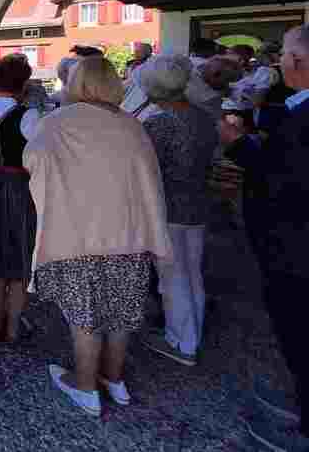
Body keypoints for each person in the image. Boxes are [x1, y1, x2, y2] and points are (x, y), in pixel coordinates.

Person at [24, 57, 172, 417]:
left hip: (76, 234)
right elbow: (150, 179)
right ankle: (114, 379)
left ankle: (86, 386)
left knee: (84, 316)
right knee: (122, 313)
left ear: (76, 83)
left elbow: (33, 161)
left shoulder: (57, 122)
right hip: (130, 234)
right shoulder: (132, 125)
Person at [221, 25, 309, 452]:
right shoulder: (297, 108)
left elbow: (287, 180)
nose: (279, 63)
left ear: (297, 61)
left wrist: (239, 145)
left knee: (300, 330)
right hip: (290, 244)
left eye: (284, 56)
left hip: (296, 249)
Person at [134, 55, 219, 368]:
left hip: (167, 206)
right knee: (192, 272)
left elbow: (145, 168)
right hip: (198, 202)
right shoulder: (203, 117)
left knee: (172, 277)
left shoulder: (157, 123)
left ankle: (182, 342)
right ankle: (191, 333)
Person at [0, 54, 41, 343]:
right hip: (18, 187)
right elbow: (39, 156)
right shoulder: (28, 116)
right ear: (23, 83)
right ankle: (13, 328)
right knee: (18, 258)